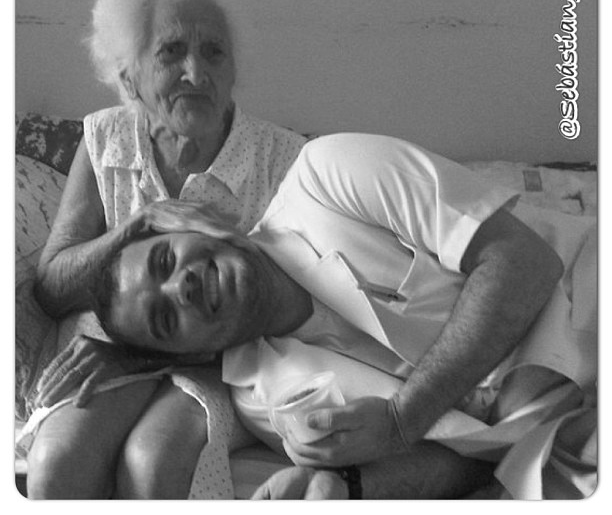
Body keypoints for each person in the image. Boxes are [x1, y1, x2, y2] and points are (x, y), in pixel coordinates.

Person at [27, 133, 597, 499]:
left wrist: (404, 417)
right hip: (570, 446)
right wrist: (347, 488)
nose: (182, 286)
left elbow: (523, 261)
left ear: (197, 226)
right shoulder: (262, 401)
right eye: (165, 319)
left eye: (165, 259)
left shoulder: (328, 172)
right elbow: (466, 462)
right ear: (194, 353)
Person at [23, 0, 305, 499]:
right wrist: (137, 227)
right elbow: (51, 287)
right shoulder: (105, 138)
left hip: (222, 365)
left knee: (153, 461)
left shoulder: (282, 159)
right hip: (105, 347)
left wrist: (137, 355)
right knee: (57, 464)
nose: (196, 73)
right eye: (171, 52)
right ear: (128, 77)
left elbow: (290, 310)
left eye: (214, 53)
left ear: (233, 70)